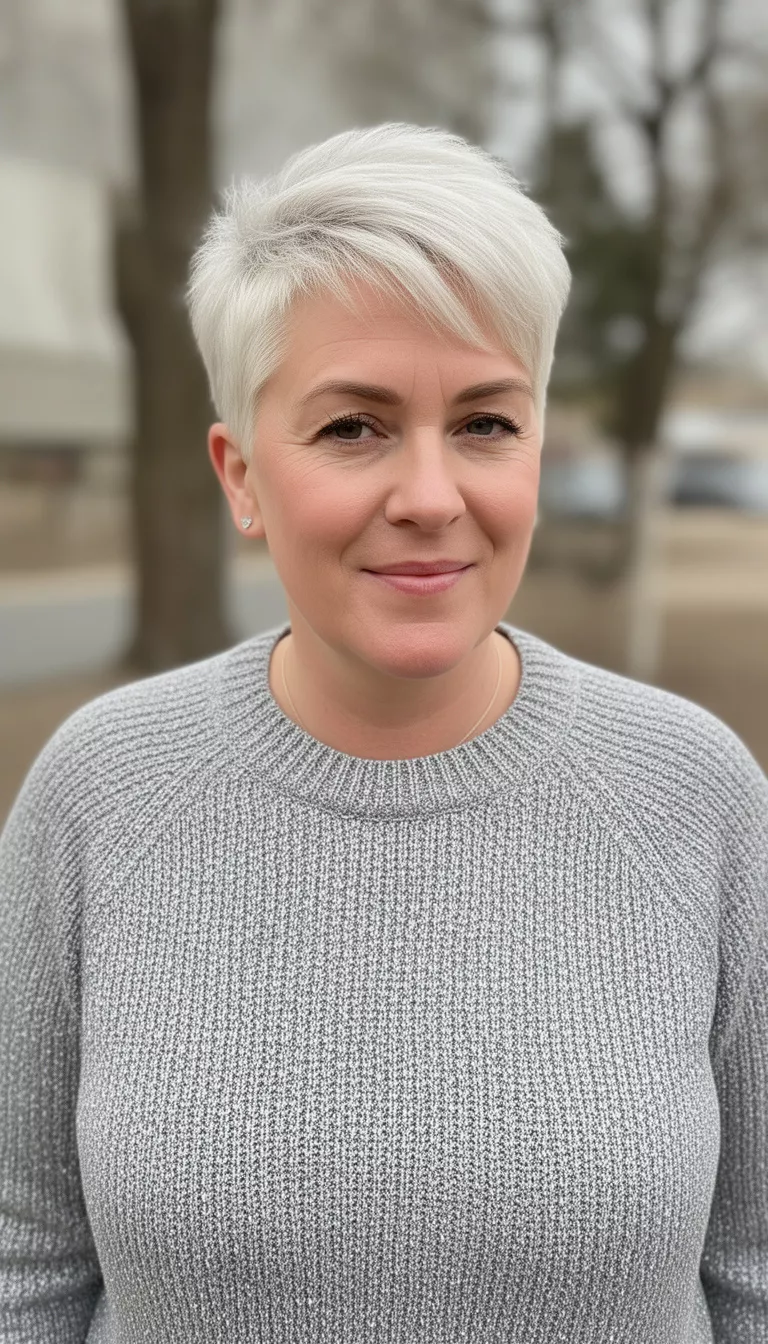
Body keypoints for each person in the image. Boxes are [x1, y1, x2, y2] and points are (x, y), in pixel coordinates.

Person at [1, 122, 766, 1343]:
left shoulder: (695, 794)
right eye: (353, 427)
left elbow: (755, 1273)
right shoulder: (99, 794)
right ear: (241, 472)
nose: (428, 495)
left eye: (486, 422)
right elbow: (25, 1262)